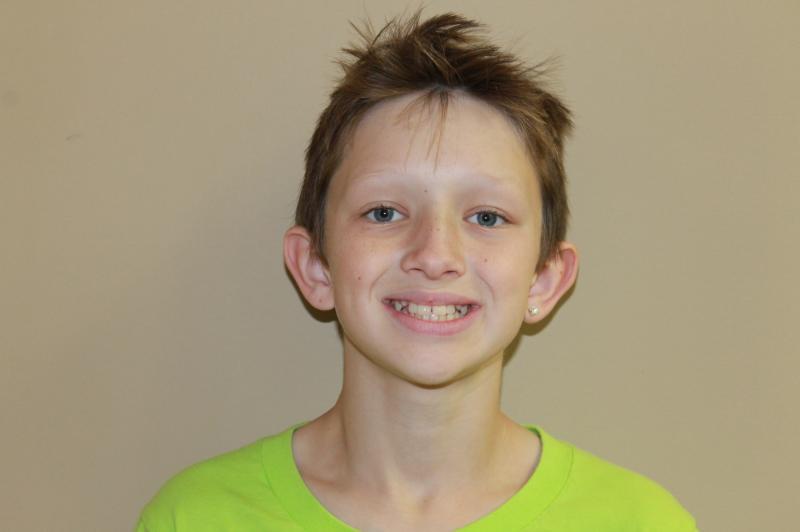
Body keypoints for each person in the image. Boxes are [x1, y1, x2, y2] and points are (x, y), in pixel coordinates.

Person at [136, 11, 697, 531]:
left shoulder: (641, 521)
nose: (434, 254)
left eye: (486, 216)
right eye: (384, 212)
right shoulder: (195, 517)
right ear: (316, 268)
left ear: (545, 279)